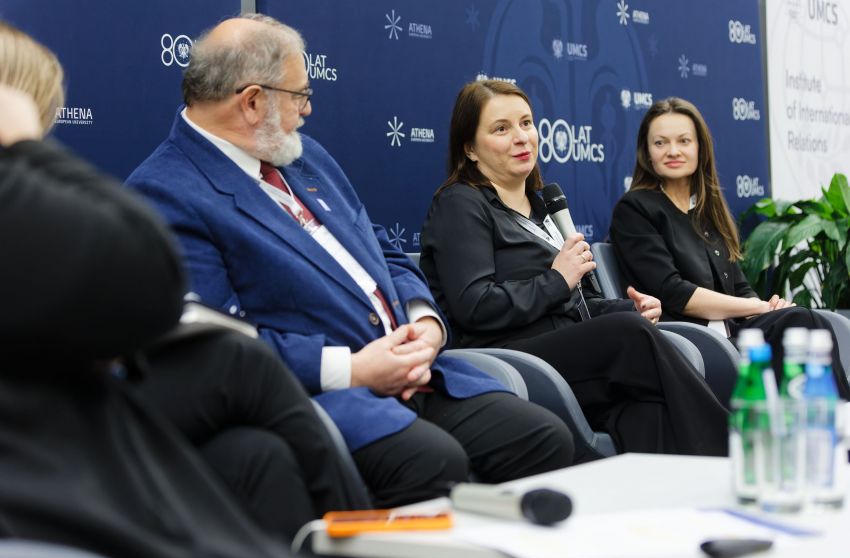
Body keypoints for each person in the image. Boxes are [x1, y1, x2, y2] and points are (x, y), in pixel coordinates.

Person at [127, 14, 574, 508]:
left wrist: (423, 322)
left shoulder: (305, 155)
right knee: (433, 461)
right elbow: (217, 345)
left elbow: (380, 247)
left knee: (542, 436)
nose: (308, 110)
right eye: (299, 96)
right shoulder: (167, 192)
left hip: (420, 372)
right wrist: (354, 369)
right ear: (253, 102)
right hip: (325, 397)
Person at [0, 19, 357, 558]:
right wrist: (23, 146)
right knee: (238, 362)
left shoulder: (310, 163)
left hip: (79, 415)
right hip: (41, 439)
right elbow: (147, 272)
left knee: (254, 456)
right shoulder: (154, 182)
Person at [419, 80, 728, 458]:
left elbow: (580, 302)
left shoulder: (543, 207)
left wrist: (630, 307)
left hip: (569, 348)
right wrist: (557, 279)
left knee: (644, 410)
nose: (521, 138)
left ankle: (660, 509)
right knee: (626, 334)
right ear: (470, 148)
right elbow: (475, 305)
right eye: (502, 129)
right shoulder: (461, 204)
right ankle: (731, 451)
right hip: (508, 357)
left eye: (526, 123)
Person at [609, 97, 849, 398]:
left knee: (802, 320)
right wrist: (760, 307)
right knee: (801, 321)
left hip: (734, 335)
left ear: (700, 148)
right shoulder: (635, 209)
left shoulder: (707, 212)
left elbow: (740, 288)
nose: (673, 151)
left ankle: (830, 425)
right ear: (647, 152)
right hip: (688, 341)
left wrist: (770, 307)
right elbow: (676, 294)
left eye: (684, 141)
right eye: (660, 143)